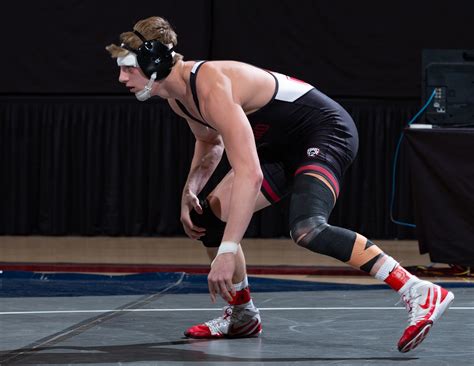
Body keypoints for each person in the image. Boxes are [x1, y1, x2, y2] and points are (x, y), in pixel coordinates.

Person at [106, 16, 454, 353]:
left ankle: (418, 291)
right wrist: (190, 189)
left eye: (128, 68)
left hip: (326, 131)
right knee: (205, 220)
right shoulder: (178, 98)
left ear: (154, 64)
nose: (121, 77)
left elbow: (250, 174)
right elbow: (211, 142)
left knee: (307, 229)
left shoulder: (210, 83)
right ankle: (243, 315)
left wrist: (228, 252)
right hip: (284, 146)